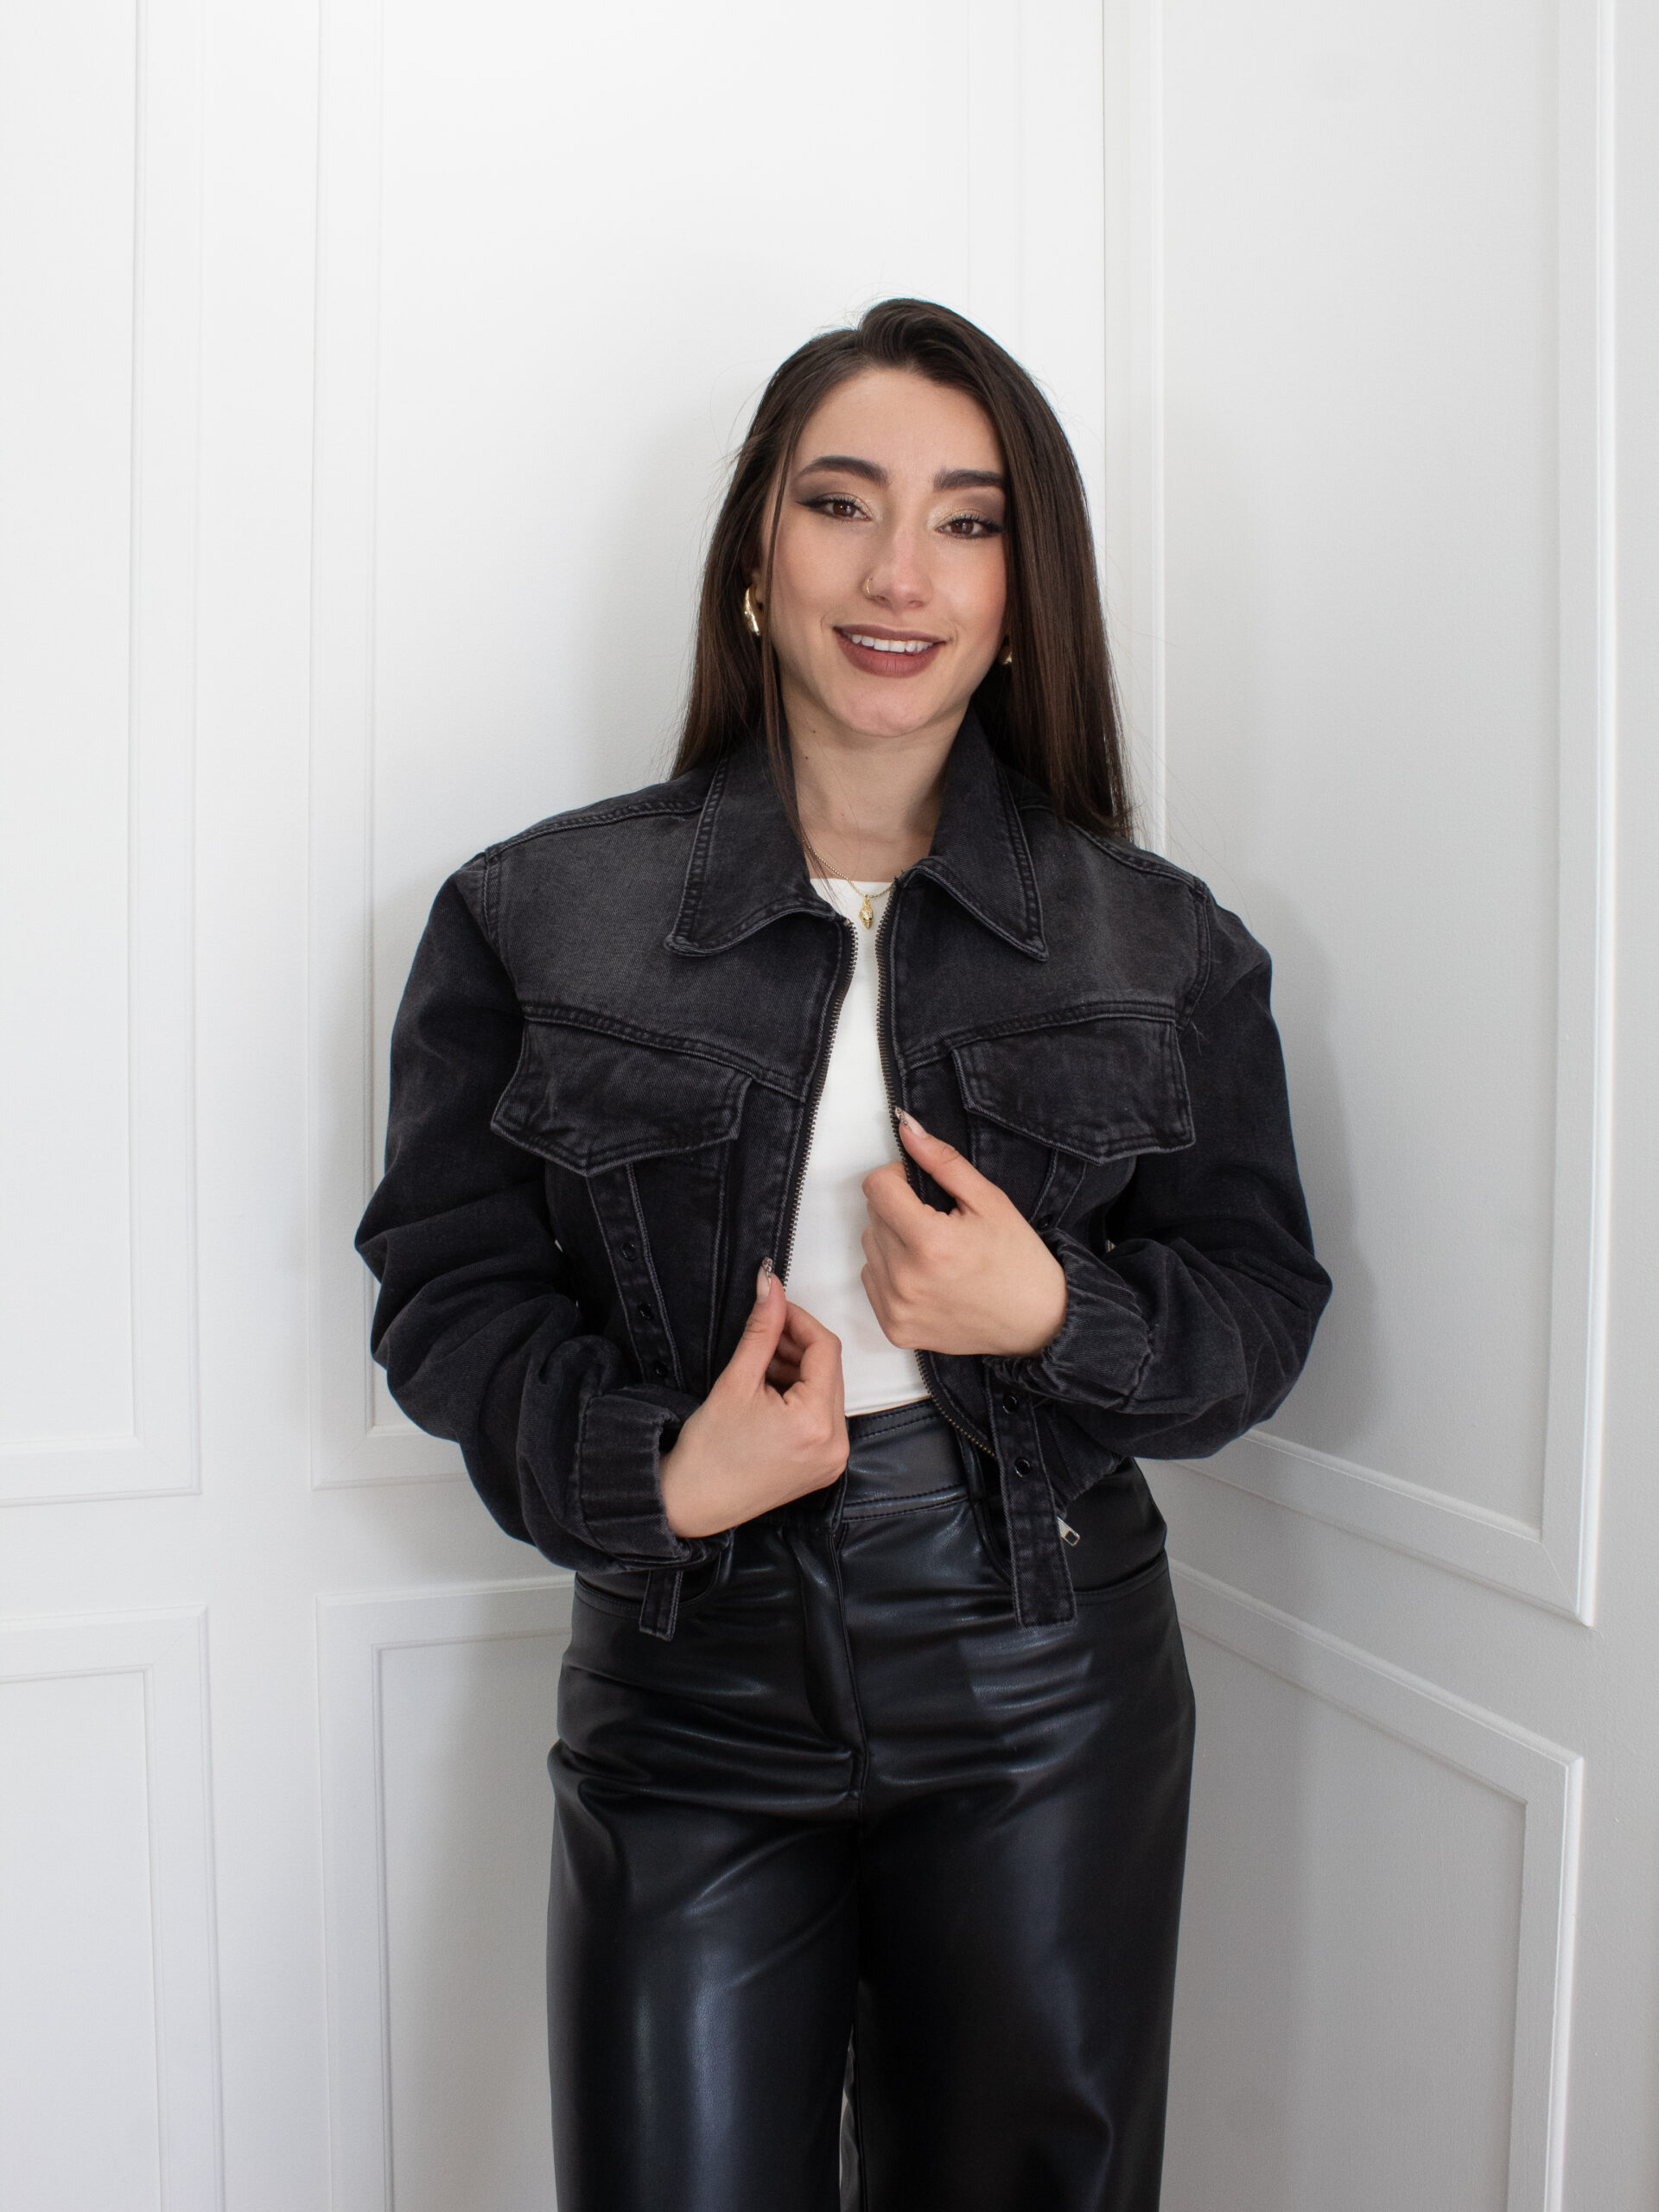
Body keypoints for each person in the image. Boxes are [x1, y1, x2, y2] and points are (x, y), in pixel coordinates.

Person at [356, 297, 1331, 2212]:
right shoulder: (538, 911)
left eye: (970, 521)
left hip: (1044, 1672)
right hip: (687, 1673)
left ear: (1026, 594)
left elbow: (1260, 1301)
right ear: (756, 557)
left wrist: (1053, 1312)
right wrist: (655, 1470)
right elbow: (446, 1285)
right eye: (841, 503)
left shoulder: (1162, 942)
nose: (901, 573)